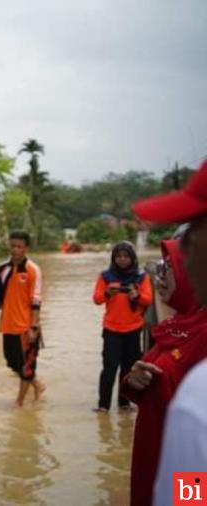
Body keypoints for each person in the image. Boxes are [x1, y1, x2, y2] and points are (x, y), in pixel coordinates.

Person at [129, 159, 207, 505]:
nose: (185, 251)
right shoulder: (179, 327)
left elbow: (191, 488)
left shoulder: (200, 391)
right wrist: (135, 382)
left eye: (191, 234)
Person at [0, 230, 46, 408]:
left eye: (19, 247)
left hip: (26, 327)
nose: (15, 250)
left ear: (26, 248)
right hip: (8, 324)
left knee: (26, 366)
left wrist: (34, 326)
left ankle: (19, 403)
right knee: (11, 361)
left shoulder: (33, 270)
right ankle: (38, 385)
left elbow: (36, 299)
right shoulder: (3, 269)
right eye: (12, 246)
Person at [92, 241, 152, 413]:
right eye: (119, 256)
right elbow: (96, 299)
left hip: (133, 329)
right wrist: (107, 293)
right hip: (112, 329)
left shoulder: (141, 276)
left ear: (132, 258)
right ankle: (103, 405)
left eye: (126, 256)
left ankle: (124, 404)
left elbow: (148, 299)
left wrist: (137, 295)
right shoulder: (106, 276)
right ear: (114, 258)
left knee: (128, 368)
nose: (122, 260)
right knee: (109, 368)